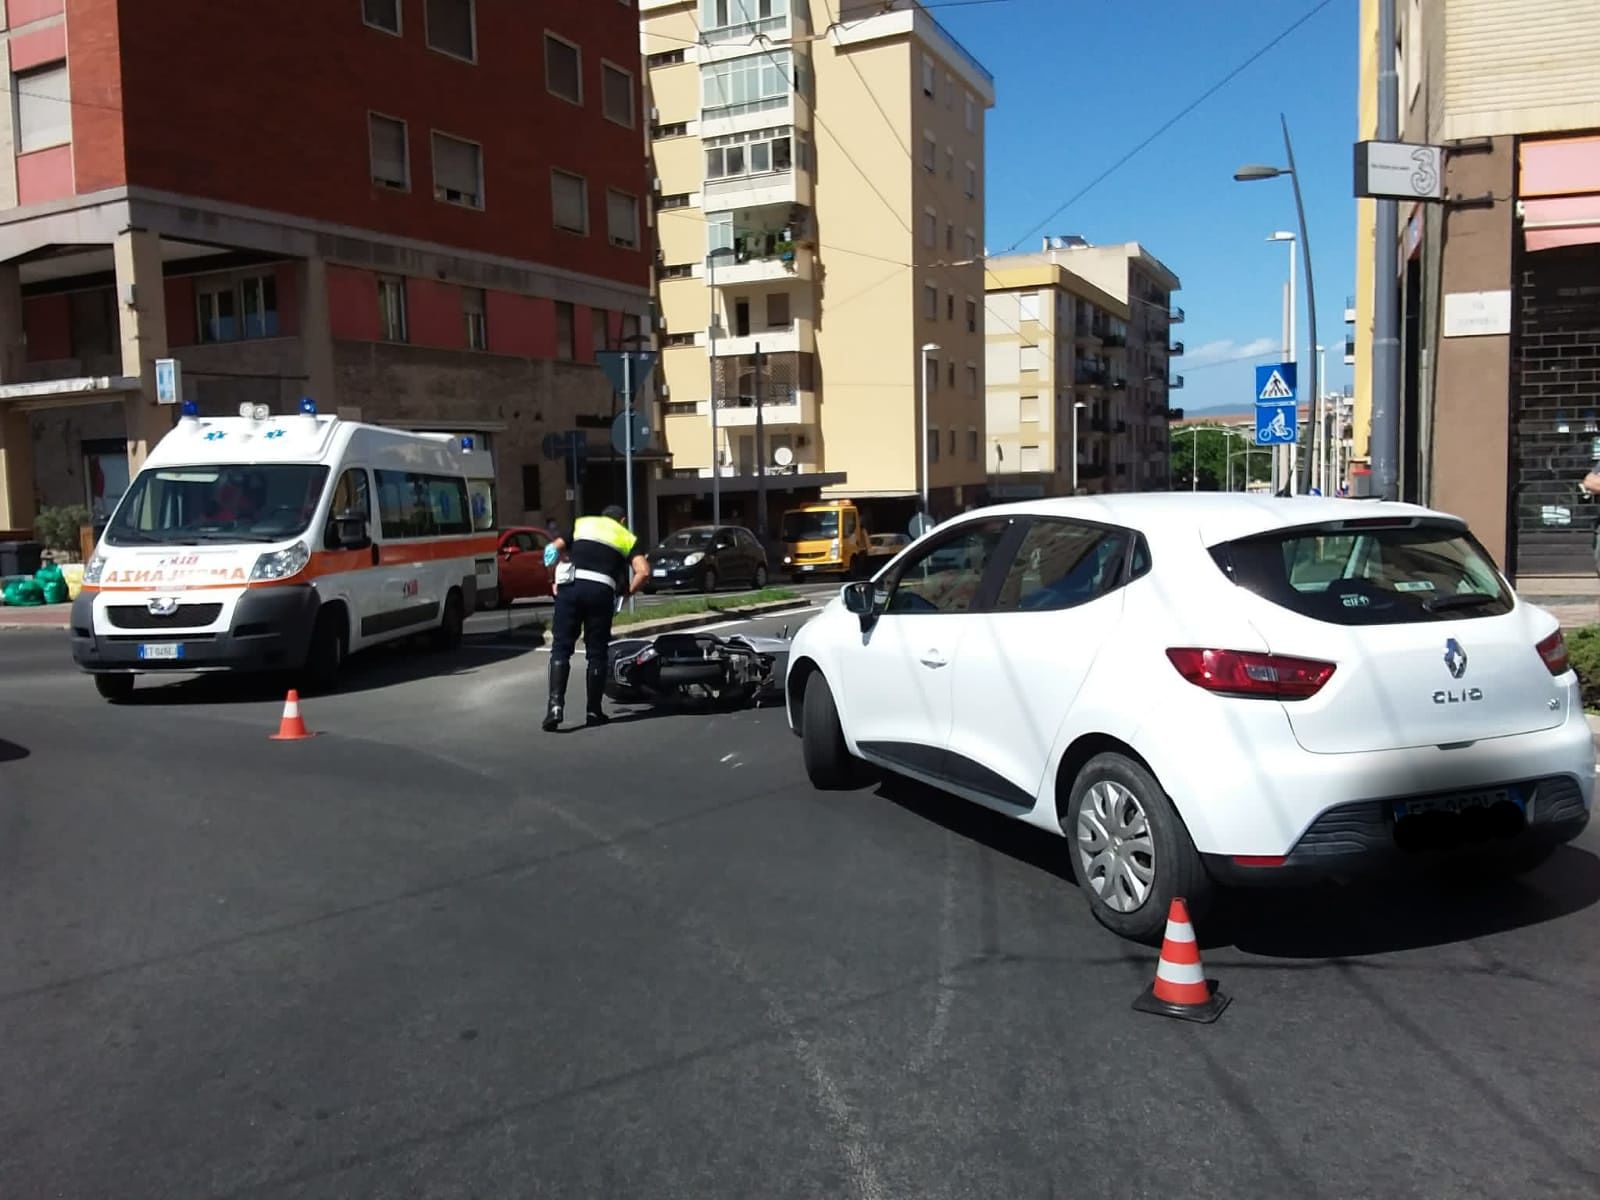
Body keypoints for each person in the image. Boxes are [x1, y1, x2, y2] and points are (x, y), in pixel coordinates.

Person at [542, 504, 650, 731]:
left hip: (570, 587)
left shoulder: (582, 524)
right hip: (601, 592)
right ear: (622, 521)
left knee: (561, 648)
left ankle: (555, 707)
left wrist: (552, 580)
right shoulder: (626, 537)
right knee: (597, 653)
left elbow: (551, 550)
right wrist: (627, 593)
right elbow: (644, 571)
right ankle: (593, 711)